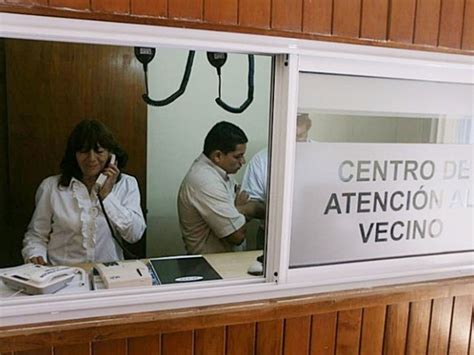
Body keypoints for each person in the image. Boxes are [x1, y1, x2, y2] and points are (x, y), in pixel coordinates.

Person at [22, 119, 146, 266]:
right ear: (74, 154)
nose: (91, 158)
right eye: (84, 151)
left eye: (99, 151)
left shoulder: (127, 184)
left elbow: (134, 234)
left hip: (108, 275)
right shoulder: (51, 187)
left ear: (111, 156)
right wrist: (35, 256)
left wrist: (107, 196)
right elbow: (36, 235)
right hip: (62, 274)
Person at [177, 121, 264, 254]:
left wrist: (235, 211)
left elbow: (245, 205)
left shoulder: (220, 173)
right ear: (218, 156)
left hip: (224, 263)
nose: (243, 162)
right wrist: (246, 209)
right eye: (237, 156)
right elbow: (237, 235)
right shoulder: (205, 181)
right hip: (209, 266)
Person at [242, 113, 313, 274]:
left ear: (309, 125)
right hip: (272, 236)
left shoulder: (322, 154)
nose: (294, 142)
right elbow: (249, 204)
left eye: (299, 137)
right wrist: (279, 211)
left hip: (312, 236)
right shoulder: (261, 160)